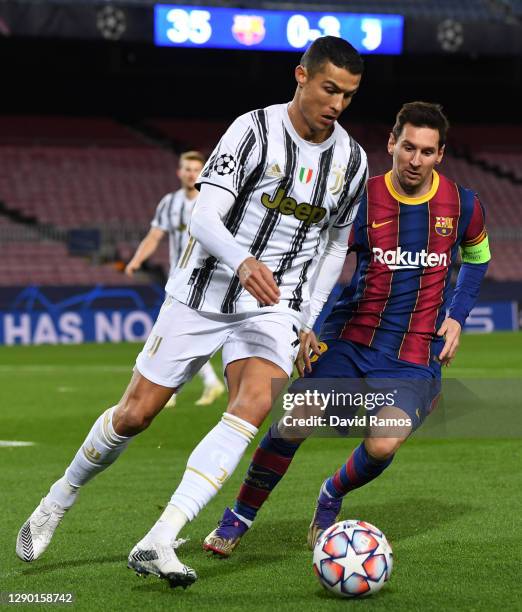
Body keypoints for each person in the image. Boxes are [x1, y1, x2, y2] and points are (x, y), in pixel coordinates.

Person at [15, 35, 368, 589]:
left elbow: (332, 245)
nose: (338, 105)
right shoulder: (252, 131)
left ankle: (160, 537)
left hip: (275, 304)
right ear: (300, 76)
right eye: (330, 89)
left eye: (348, 95)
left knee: (253, 405)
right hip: (203, 291)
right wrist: (243, 260)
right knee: (135, 415)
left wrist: (306, 319)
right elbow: (204, 216)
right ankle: (58, 498)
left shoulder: (351, 159)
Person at [203, 101, 491, 557]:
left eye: (427, 152)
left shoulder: (463, 205)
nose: (415, 160)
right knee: (295, 420)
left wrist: (457, 315)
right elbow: (320, 260)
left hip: (414, 353)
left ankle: (331, 494)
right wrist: (307, 323)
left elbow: (478, 257)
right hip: (350, 338)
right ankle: (238, 516)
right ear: (392, 144)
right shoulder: (362, 198)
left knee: (382, 443)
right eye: (408, 148)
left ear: (441, 155)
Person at [125, 151, 225, 407]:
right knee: (176, 332)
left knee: (178, 331)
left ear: (203, 173)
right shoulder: (169, 203)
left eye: (196, 169)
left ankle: (170, 386)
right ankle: (196, 384)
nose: (192, 173)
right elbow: (154, 236)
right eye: (187, 169)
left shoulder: (213, 202)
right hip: (178, 278)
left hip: (206, 278)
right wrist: (137, 260)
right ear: (179, 172)